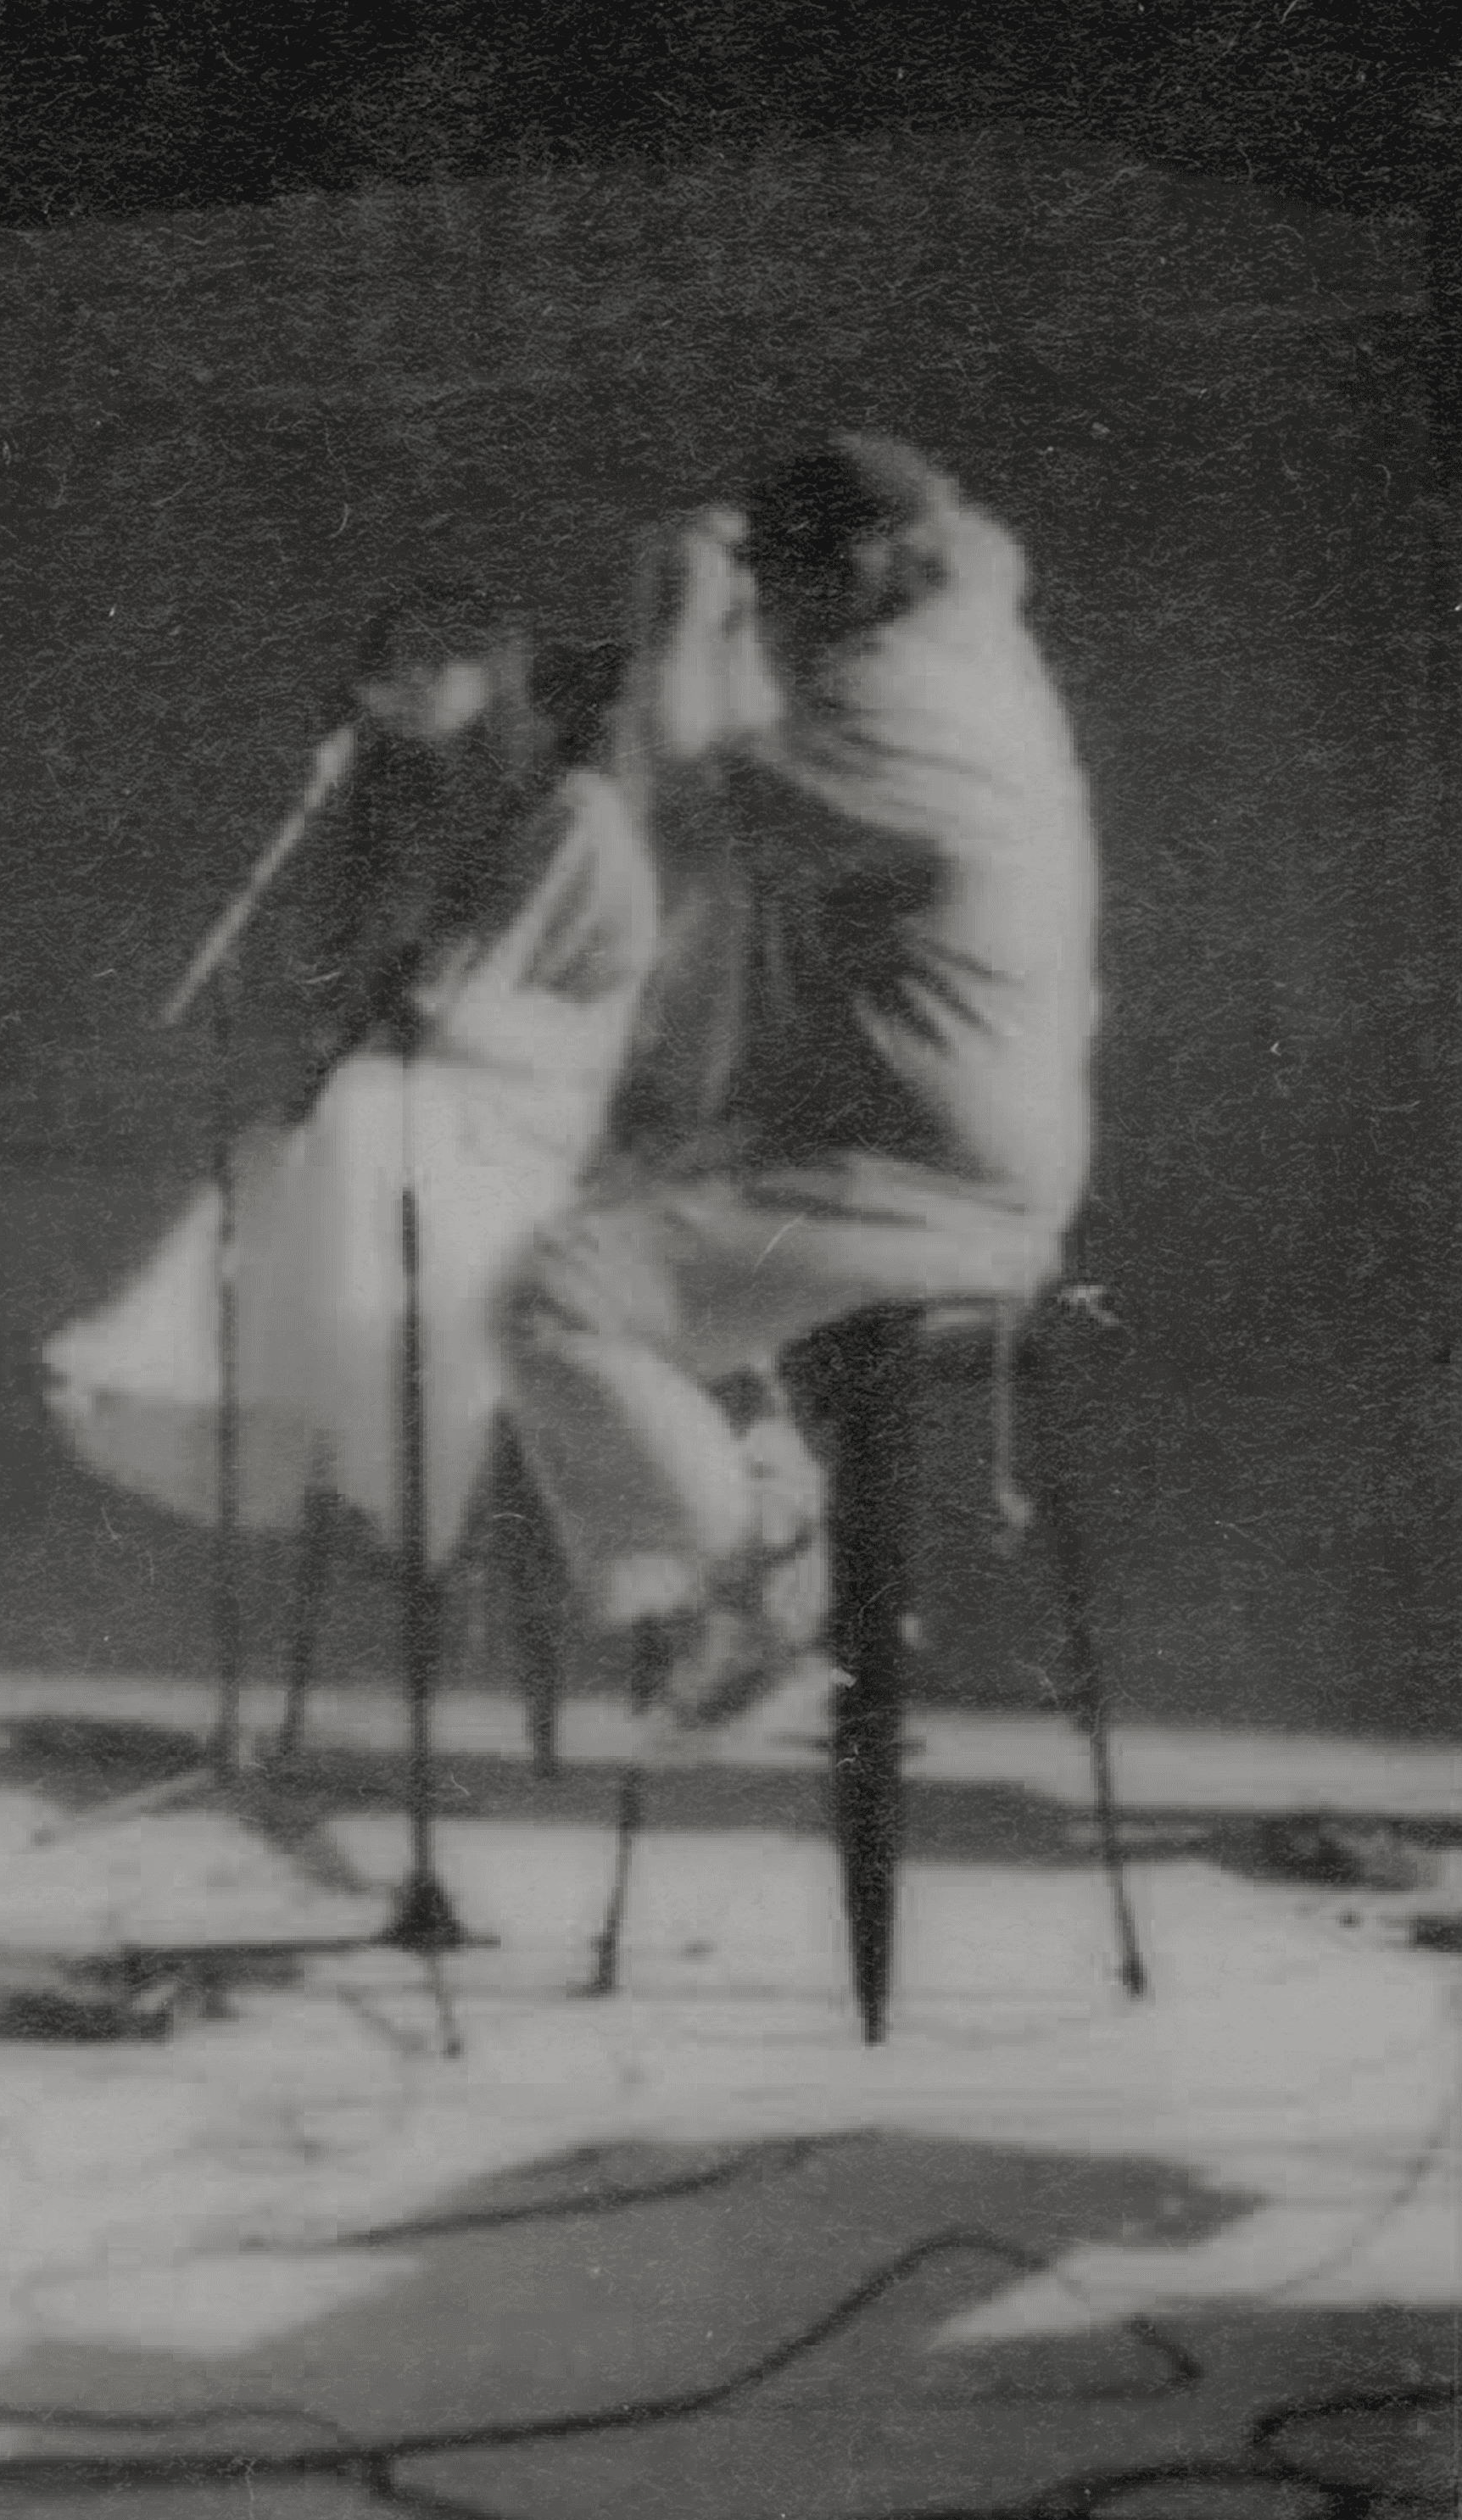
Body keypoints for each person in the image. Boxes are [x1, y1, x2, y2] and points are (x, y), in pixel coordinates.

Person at [497, 433, 1102, 1732]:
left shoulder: (913, 701)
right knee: (634, 1245)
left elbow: (691, 812)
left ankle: (763, 1592)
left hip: (926, 1184)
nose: (767, 627)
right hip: (898, 1155)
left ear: (852, 572)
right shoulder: (954, 652)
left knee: (551, 1293)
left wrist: (681, 612)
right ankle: (764, 1531)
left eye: (776, 597)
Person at [46, 592, 667, 1576]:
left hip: (537, 1109)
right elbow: (378, 985)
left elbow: (465, 1003)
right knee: (302, 1145)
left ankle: (389, 1465)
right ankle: (311, 1430)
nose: (397, 694)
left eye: (429, 667)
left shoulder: (576, 815)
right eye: (387, 674)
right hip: (451, 1094)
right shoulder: (444, 804)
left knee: (360, 1121)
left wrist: (379, 1036)